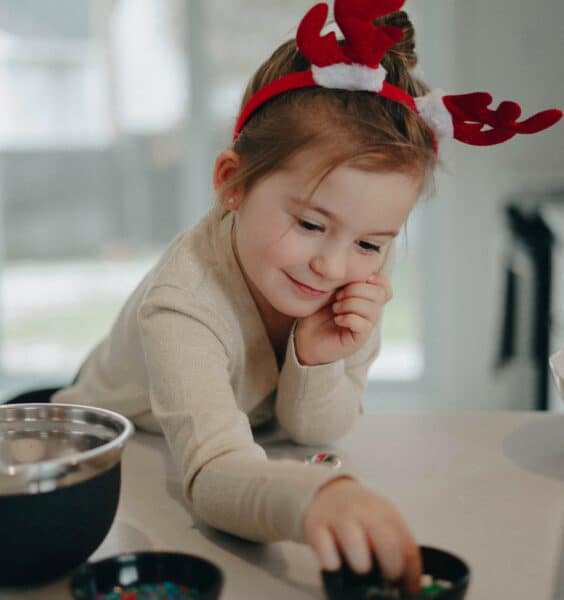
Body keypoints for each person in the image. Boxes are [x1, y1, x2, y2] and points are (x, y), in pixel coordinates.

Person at [52, 1, 561, 596]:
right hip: (112, 457)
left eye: (370, 243)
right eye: (311, 225)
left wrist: (318, 361)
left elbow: (317, 429)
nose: (333, 265)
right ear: (232, 183)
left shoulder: (352, 265)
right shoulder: (182, 302)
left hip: (234, 446)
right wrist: (316, 498)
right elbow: (213, 470)